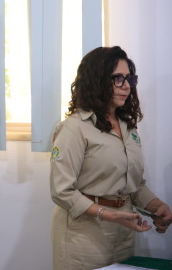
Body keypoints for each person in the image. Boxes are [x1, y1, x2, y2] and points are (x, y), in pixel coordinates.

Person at [50, 46, 172, 270]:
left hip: (123, 230)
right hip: (84, 236)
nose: (126, 86)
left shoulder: (128, 127)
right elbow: (62, 191)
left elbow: (134, 185)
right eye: (117, 78)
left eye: (129, 79)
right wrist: (107, 214)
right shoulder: (74, 128)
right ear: (96, 81)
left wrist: (156, 205)